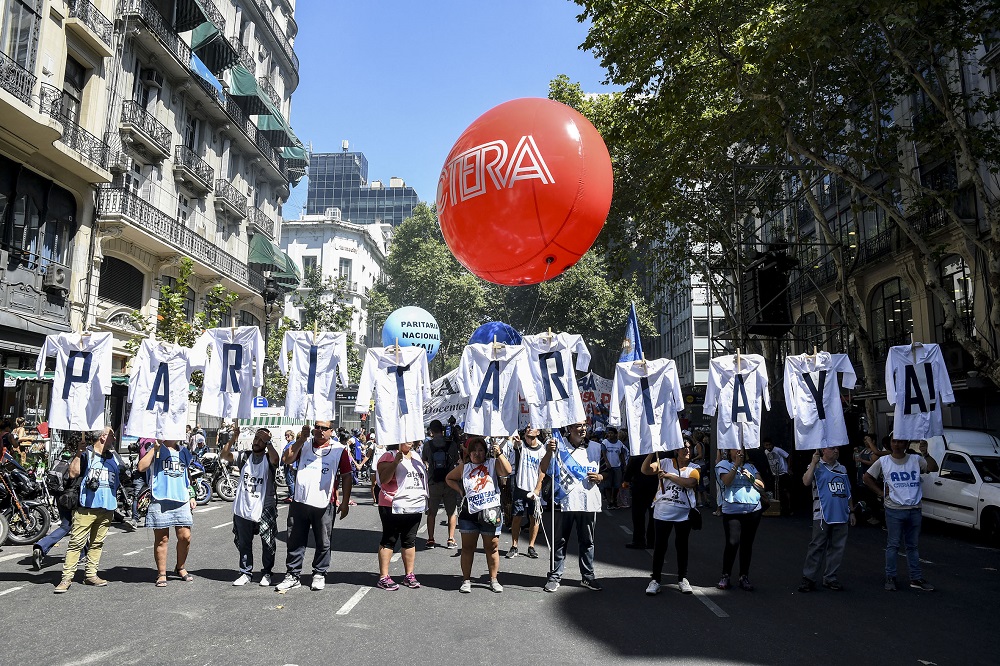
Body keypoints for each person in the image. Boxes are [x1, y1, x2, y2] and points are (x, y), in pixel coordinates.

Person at [276, 421, 353, 592]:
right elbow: (286, 459)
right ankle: (293, 575)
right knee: (295, 540)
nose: (319, 431)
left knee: (323, 541)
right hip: (300, 501)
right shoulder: (304, 444)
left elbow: (347, 476)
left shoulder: (339, 449)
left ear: (331, 431)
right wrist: (300, 440)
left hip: (325, 503)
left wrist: (345, 502)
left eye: (324, 428)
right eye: (316, 427)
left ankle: (319, 573)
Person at [863, 438, 938, 592]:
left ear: (906, 445)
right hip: (894, 509)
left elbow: (933, 467)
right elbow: (867, 477)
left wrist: (925, 453)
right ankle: (890, 577)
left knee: (912, 546)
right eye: (894, 442)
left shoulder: (916, 459)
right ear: (890, 444)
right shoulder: (884, 461)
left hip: (914, 509)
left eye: (900, 442)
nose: (896, 445)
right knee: (893, 545)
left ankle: (916, 578)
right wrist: (880, 493)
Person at [52, 428, 121, 593]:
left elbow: (119, 479)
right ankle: (66, 578)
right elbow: (73, 473)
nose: (114, 437)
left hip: (107, 508)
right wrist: (78, 453)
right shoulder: (87, 454)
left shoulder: (113, 456)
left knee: (97, 543)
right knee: (76, 543)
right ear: (103, 437)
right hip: (87, 508)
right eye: (112, 434)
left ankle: (91, 575)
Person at [543, 422, 604, 593]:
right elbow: (544, 468)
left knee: (587, 542)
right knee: (560, 541)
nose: (583, 429)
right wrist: (549, 451)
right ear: (569, 428)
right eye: (578, 426)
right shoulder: (557, 445)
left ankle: (588, 576)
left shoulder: (597, 447)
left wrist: (600, 476)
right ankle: (555, 576)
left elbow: (609, 470)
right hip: (565, 501)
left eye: (585, 425)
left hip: (588, 502)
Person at [446, 437, 511, 593]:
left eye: (480, 450)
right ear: (469, 453)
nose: (477, 453)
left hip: (491, 513)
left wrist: (500, 453)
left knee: (492, 548)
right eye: (474, 450)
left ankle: (494, 580)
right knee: (467, 548)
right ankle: (466, 580)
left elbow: (508, 471)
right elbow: (449, 478)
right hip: (469, 514)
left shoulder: (492, 463)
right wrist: (461, 491)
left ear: (485, 451)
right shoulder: (464, 467)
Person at [223, 427, 279, 587]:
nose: (257, 442)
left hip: (265, 507)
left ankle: (267, 572)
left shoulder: (269, 458)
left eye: (262, 440)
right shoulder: (244, 456)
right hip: (244, 507)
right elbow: (225, 455)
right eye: (256, 438)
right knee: (244, 542)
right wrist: (233, 438)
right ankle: (245, 572)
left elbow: (276, 460)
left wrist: (268, 443)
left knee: (267, 543)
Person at [642, 443, 698, 595]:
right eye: (683, 447)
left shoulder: (694, 468)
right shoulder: (665, 462)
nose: (686, 450)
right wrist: (651, 453)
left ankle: (682, 578)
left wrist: (668, 476)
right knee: (660, 546)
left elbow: (690, 483)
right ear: (676, 450)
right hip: (662, 512)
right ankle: (655, 580)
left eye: (689, 447)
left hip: (684, 514)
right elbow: (645, 470)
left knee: (682, 546)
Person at [139, 437, 196, 587]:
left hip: (181, 499)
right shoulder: (156, 448)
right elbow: (141, 467)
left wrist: (191, 494)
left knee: (185, 536)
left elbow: (187, 475)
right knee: (162, 538)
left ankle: (180, 567)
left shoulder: (183, 451)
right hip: (160, 498)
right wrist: (154, 448)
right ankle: (161, 573)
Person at [798, 447, 856, 592]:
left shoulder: (842, 468)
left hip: (841, 514)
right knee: (817, 546)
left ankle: (830, 577)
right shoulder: (816, 466)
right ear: (824, 450)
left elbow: (847, 491)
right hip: (822, 514)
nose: (836, 451)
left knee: (837, 548)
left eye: (837, 449)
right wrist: (813, 462)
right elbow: (806, 481)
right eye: (832, 449)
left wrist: (851, 511)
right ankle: (809, 578)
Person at [375, 440, 429, 590]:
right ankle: (383, 577)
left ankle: (409, 575)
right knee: (389, 539)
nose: (410, 440)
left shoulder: (416, 457)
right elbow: (384, 479)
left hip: (413, 505)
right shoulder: (388, 455)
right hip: (392, 504)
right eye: (405, 437)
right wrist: (396, 462)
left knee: (409, 540)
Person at [716, 448, 765, 591]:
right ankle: (725, 575)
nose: (739, 452)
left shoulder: (751, 466)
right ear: (729, 452)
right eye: (735, 450)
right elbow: (726, 481)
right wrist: (736, 466)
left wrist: (751, 477)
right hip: (732, 511)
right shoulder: (724, 464)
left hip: (753, 509)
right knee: (732, 543)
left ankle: (744, 576)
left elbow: (761, 486)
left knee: (747, 544)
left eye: (741, 450)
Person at [507, 425, 547, 559]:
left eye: (532, 427)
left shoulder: (542, 449)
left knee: (534, 518)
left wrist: (537, 489)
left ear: (538, 431)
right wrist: (516, 439)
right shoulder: (521, 445)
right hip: (520, 487)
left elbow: (542, 471)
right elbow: (516, 444)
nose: (529, 429)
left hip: (534, 490)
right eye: (527, 427)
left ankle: (531, 546)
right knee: (517, 516)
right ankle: (514, 546)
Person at [422, 419, 460, 549]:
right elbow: (456, 460)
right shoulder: (452, 444)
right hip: (449, 482)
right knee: (451, 512)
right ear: (442, 430)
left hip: (433, 482)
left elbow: (424, 460)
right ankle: (450, 538)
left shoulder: (428, 445)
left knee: (431, 512)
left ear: (431, 431)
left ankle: (431, 539)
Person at [622, 441, 657, 549]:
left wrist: (626, 480)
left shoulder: (638, 451)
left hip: (640, 487)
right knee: (653, 516)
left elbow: (631, 466)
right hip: (654, 488)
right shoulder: (660, 452)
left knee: (639, 516)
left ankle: (639, 540)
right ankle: (651, 541)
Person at [854, 433, 884, 526]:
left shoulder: (875, 452)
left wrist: (862, 461)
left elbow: (874, 463)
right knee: (865, 498)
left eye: (868, 440)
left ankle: (876, 517)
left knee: (872, 499)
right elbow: (855, 459)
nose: (865, 442)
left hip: (871, 479)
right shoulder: (863, 451)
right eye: (864, 440)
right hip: (861, 476)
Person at [763, 438, 792, 516]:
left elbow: (788, 456)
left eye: (769, 445)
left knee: (785, 491)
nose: (768, 446)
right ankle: (779, 508)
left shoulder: (778, 450)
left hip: (783, 472)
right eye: (766, 445)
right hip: (775, 474)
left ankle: (788, 509)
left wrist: (788, 468)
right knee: (777, 492)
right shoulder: (766, 452)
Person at [601, 427, 627, 509]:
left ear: (616, 434)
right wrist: (607, 463)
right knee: (608, 485)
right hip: (608, 467)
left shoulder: (619, 443)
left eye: (611, 433)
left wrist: (624, 465)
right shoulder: (605, 442)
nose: (609, 435)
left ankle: (615, 500)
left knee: (616, 485)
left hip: (617, 467)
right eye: (609, 433)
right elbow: (603, 454)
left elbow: (621, 454)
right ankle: (609, 502)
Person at [281, 430, 296, 502]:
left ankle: (292, 496)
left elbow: (292, 454)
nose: (286, 437)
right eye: (285, 435)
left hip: (289, 464)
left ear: (292, 436)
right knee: (288, 480)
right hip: (286, 464)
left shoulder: (292, 444)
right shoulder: (289, 444)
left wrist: (291, 463)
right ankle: (290, 495)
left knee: (290, 480)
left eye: (288, 435)